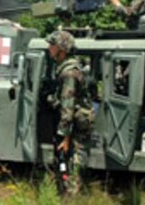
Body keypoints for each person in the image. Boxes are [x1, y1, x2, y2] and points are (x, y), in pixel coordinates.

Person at [45, 31, 94, 194]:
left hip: (76, 122)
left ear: (62, 49)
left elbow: (68, 107)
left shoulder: (69, 72)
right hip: (74, 118)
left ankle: (71, 193)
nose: (49, 48)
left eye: (52, 45)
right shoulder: (65, 66)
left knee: (74, 159)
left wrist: (64, 136)